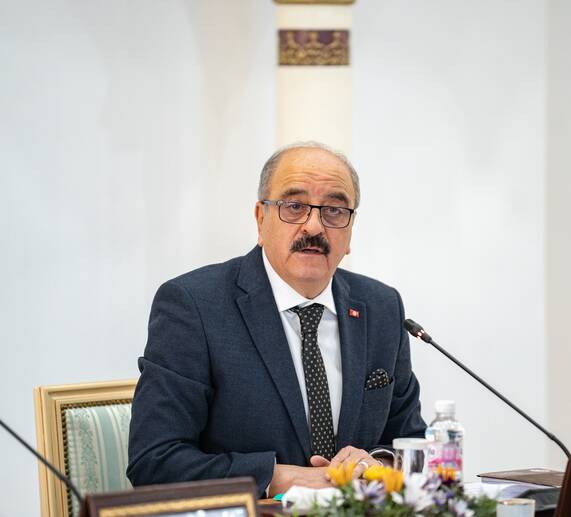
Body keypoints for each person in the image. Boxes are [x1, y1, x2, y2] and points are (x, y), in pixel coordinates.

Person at [127, 142, 426, 496]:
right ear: (260, 218)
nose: (313, 226)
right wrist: (275, 477)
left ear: (350, 230)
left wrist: (379, 463)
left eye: (334, 210)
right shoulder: (194, 306)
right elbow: (154, 461)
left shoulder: (381, 308)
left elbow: (412, 444)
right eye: (294, 206)